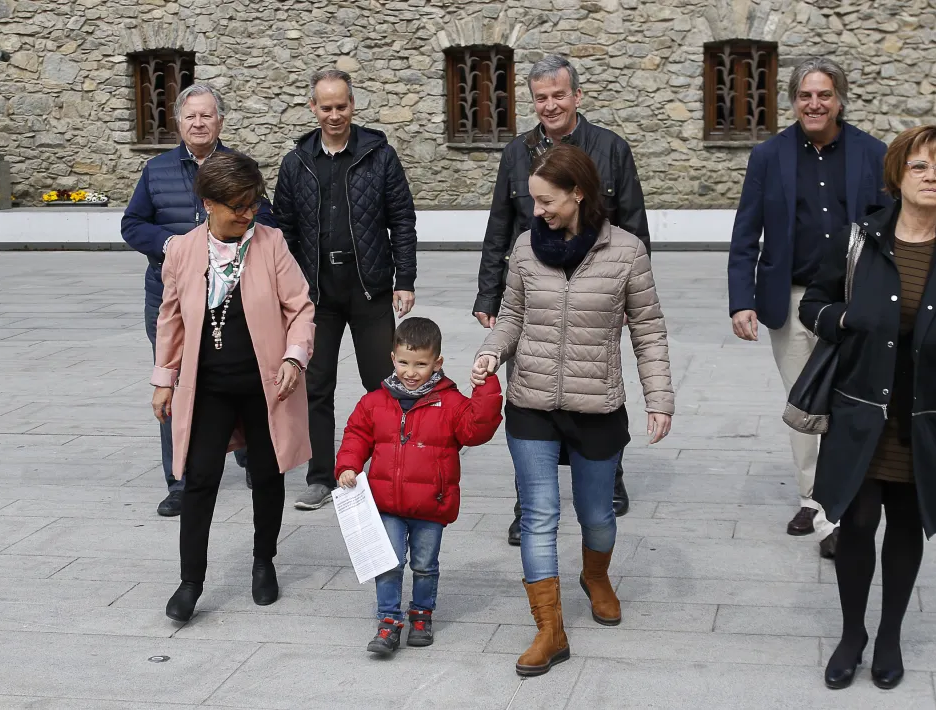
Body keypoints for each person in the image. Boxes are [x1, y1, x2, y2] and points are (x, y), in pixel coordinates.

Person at [799, 125, 936, 690]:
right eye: (921, 166)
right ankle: (852, 634)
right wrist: (844, 319)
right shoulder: (859, 239)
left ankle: (889, 636)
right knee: (858, 523)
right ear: (898, 174)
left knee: (908, 524)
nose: (933, 177)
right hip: (861, 408)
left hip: (924, 415)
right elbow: (815, 303)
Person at [472, 144, 674, 677]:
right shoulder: (523, 248)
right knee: (539, 517)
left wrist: (659, 398)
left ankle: (596, 575)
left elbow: (649, 331)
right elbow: (512, 314)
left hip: (597, 405)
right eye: (533, 201)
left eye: (546, 201)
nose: (537, 211)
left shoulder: (627, 252)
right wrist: (494, 349)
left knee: (598, 517)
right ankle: (549, 630)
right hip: (531, 402)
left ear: (578, 193)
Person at [473, 54, 650, 547]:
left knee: (599, 381)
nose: (550, 105)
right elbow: (499, 227)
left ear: (576, 96)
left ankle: (607, 477)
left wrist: (633, 291)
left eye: (558, 95)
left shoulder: (610, 148)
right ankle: (526, 501)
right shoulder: (517, 152)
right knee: (527, 389)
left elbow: (634, 224)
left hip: (598, 288)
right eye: (541, 98)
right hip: (533, 289)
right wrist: (488, 292)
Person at [727, 57, 891, 558]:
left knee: (847, 402)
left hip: (852, 302)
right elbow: (745, 233)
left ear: (839, 99)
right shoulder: (768, 156)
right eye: (805, 96)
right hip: (791, 300)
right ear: (793, 100)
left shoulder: (873, 153)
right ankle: (813, 501)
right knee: (803, 403)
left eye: (824, 95)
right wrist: (741, 301)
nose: (814, 104)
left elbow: (889, 228)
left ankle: (839, 501)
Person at [149, 151, 315, 622]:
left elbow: (300, 308)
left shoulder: (271, 243)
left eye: (252, 203)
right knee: (199, 480)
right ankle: (190, 581)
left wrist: (294, 357)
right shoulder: (182, 250)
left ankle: (264, 561)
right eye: (237, 206)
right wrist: (164, 379)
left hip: (266, 387)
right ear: (208, 204)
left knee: (266, 475)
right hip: (208, 387)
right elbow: (171, 319)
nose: (248, 214)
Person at [123, 83, 274, 517]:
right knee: (171, 384)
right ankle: (179, 480)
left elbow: (264, 221)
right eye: (191, 116)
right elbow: (132, 224)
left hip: (233, 298)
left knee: (242, 374)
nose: (199, 123)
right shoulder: (157, 170)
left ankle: (248, 452)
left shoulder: (240, 168)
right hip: (171, 299)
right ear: (178, 122)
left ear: (221, 121)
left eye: (207, 115)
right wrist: (170, 245)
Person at [274, 68, 418, 512]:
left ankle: (386, 470)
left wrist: (404, 279)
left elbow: (402, 220)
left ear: (353, 106)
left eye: (342, 106)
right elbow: (284, 231)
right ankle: (320, 476)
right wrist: (288, 291)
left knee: (383, 382)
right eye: (326, 107)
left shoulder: (379, 155)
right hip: (317, 292)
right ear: (312, 108)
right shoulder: (297, 162)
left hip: (369, 287)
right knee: (315, 385)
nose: (335, 115)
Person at [335, 317, 503, 656]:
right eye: (404, 363)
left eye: (421, 364)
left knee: (425, 564)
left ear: (437, 363)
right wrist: (348, 466)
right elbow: (356, 435)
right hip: (387, 504)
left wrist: (485, 388)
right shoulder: (375, 401)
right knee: (389, 561)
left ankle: (422, 614)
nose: (411, 372)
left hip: (431, 503)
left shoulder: (451, 402)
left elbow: (476, 430)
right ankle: (388, 620)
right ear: (393, 358)